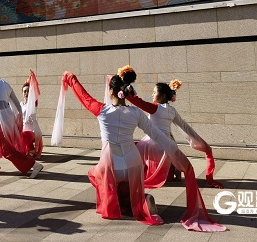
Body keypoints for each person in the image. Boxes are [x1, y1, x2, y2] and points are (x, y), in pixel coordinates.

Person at [56, 70, 225, 232]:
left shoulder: (102, 111)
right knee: (131, 191)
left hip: (111, 164)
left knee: (95, 174)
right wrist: (180, 157)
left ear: (111, 91)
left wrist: (70, 77)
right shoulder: (136, 112)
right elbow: (158, 135)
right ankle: (140, 202)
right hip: (133, 163)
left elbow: (83, 96)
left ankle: (120, 204)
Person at [121, 72, 223, 189]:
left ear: (163, 96)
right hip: (168, 143)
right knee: (169, 155)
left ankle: (134, 173)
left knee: (132, 152)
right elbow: (185, 126)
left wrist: (126, 92)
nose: (152, 94)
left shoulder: (155, 108)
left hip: (154, 143)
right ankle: (173, 172)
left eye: (154, 92)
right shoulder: (172, 110)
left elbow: (139, 103)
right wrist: (201, 143)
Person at [0, 64, 43, 178]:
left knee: (6, 149)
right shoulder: (6, 84)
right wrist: (16, 122)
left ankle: (34, 165)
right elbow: (17, 107)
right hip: (5, 117)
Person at [20, 70, 43, 159]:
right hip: (23, 129)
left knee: (24, 135)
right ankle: (27, 151)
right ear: (22, 93)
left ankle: (31, 150)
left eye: (28, 91)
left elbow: (36, 92)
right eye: (25, 91)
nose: (26, 93)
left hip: (33, 131)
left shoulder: (33, 103)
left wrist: (32, 79)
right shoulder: (21, 104)